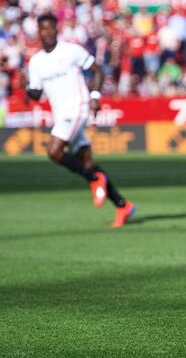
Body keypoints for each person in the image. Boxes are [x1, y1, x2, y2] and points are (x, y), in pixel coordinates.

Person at [24, 13, 136, 228]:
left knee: (54, 151)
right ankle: (123, 205)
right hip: (62, 114)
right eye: (43, 29)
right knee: (88, 164)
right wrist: (27, 87)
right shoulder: (36, 62)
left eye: (50, 28)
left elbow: (97, 70)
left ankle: (95, 180)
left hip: (78, 108)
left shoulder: (70, 51)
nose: (47, 32)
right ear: (38, 32)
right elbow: (36, 94)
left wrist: (95, 96)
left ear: (56, 30)